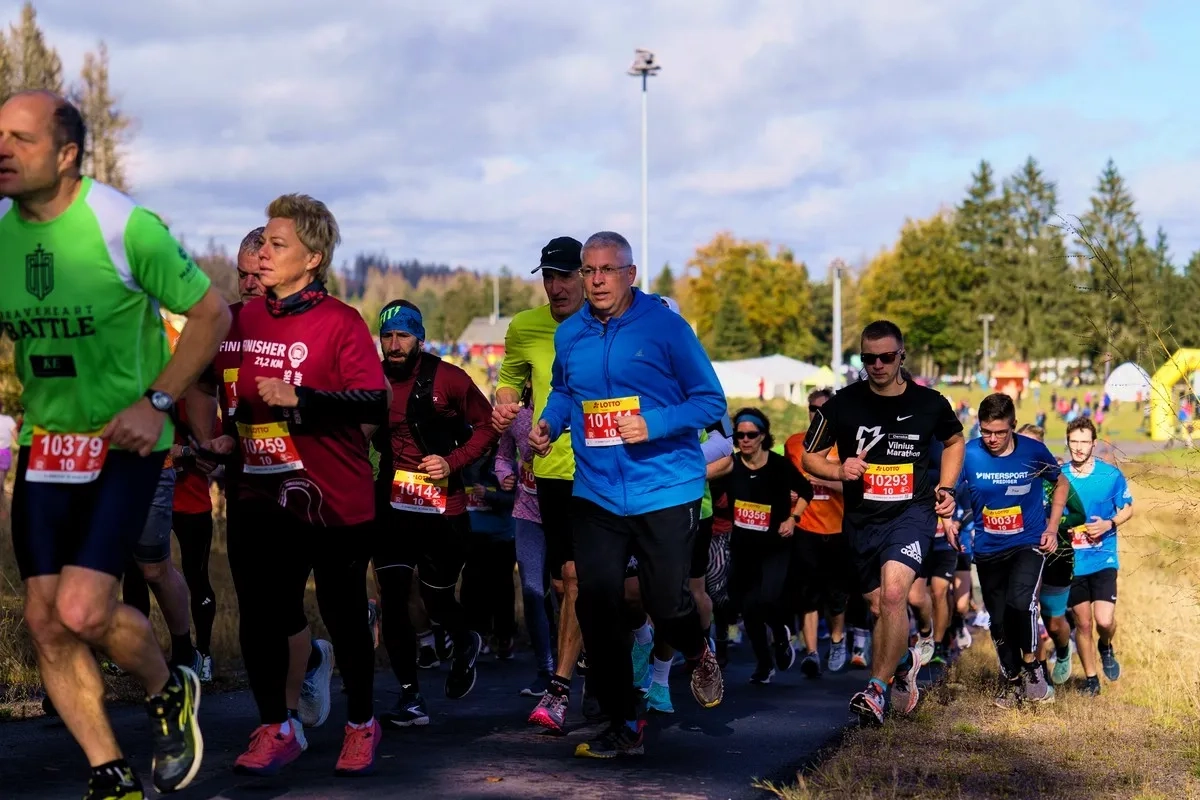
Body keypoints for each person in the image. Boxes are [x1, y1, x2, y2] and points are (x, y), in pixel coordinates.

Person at [0, 90, 231, 799]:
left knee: (81, 610)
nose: (2, 150)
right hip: (46, 448)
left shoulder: (122, 225)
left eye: (20, 138)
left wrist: (156, 399)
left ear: (67, 155)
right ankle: (111, 773)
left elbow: (210, 313)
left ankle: (168, 689)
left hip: (125, 446)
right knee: (45, 621)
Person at [531, 230, 726, 758]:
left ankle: (697, 647)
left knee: (666, 600)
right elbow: (565, 391)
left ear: (630, 274)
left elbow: (710, 400)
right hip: (596, 490)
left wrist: (655, 423)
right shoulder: (570, 334)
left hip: (664, 485)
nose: (596, 280)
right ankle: (623, 720)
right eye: (588, 271)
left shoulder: (666, 327)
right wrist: (549, 424)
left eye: (607, 270)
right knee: (595, 600)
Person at [210, 194, 387, 776]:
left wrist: (301, 398)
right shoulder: (237, 319)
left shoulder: (340, 321)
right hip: (257, 493)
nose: (262, 253)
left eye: (276, 245)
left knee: (340, 613)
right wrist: (214, 435)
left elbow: (374, 400)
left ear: (311, 259)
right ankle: (277, 727)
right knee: (263, 613)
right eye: (261, 243)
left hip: (332, 502)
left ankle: (362, 723)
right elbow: (200, 382)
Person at [802, 320, 963, 725]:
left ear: (901, 356)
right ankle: (905, 660)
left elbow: (955, 441)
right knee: (878, 606)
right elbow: (810, 456)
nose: (877, 365)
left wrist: (947, 487)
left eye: (886, 357)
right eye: (869, 358)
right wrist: (840, 470)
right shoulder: (841, 404)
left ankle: (876, 690)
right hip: (862, 520)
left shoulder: (930, 403)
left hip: (912, 513)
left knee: (894, 596)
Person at [208, 227, 337, 731]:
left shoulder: (313, 324)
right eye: (241, 274)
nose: (247, 283)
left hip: (302, 482)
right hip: (244, 482)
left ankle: (287, 716)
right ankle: (288, 698)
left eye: (256, 274)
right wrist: (210, 437)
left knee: (282, 598)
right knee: (252, 600)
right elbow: (202, 385)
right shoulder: (227, 324)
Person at [371, 299, 496, 727]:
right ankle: (410, 698)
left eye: (402, 335)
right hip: (392, 504)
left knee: (437, 598)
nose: (394, 344)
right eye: (387, 335)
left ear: (419, 338)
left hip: (444, 509)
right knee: (393, 596)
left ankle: (465, 640)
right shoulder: (371, 380)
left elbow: (488, 427)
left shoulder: (449, 378)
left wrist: (453, 461)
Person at [492, 236, 592, 735]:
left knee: (590, 582)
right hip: (549, 471)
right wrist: (506, 401)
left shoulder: (607, 323)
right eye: (548, 277)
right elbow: (509, 378)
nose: (555, 286)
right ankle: (588, 664)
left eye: (565, 276)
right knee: (561, 583)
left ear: (589, 275)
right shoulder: (525, 326)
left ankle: (561, 687)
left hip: (605, 472)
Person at [944, 394, 1067, 707]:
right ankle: (1013, 681)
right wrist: (948, 519)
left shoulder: (1033, 450)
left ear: (1013, 425)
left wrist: (1052, 527)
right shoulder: (969, 454)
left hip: (1028, 542)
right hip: (987, 548)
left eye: (1000, 432)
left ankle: (1032, 665)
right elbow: (947, 491)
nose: (993, 439)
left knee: (1021, 601)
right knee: (997, 621)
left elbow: (1061, 482)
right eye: (986, 431)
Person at [726, 407, 814, 684]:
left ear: (763, 436)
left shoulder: (778, 465)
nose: (745, 440)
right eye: (740, 435)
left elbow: (807, 491)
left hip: (776, 545)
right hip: (743, 547)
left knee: (767, 599)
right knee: (749, 609)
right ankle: (764, 664)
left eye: (751, 435)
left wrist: (793, 518)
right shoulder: (730, 464)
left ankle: (779, 633)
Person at [785, 388, 855, 675]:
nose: (817, 413)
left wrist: (823, 477)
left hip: (838, 528)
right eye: (813, 408)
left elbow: (855, 488)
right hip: (806, 527)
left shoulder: (847, 445)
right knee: (808, 595)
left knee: (836, 595)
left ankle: (838, 641)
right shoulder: (794, 444)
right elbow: (785, 479)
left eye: (823, 409)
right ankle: (812, 652)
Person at [494, 384, 557, 696]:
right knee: (533, 593)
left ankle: (581, 662)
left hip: (565, 513)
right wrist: (503, 473)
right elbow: (503, 455)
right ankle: (545, 670)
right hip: (527, 512)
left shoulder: (567, 407)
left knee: (567, 590)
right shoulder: (517, 416)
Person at [1064, 416, 1134, 696]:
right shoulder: (1059, 477)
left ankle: (1106, 644)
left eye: (1084, 442)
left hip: (1103, 557)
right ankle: (1091, 680)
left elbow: (1128, 508)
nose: (1079, 448)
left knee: (1104, 620)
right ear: (1068, 442)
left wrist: (1109, 524)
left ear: (1093, 443)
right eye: (1074, 442)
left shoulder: (1110, 475)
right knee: (1083, 623)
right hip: (1073, 561)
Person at [1018, 423, 1086, 686]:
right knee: (1028, 616)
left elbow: (1080, 514)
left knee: (1054, 622)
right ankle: (1037, 678)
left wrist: (1052, 523)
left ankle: (1064, 650)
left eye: (1033, 445)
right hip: (1023, 554)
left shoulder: (1055, 479)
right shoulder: (1010, 475)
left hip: (1058, 556)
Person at [0, 400, 16, 507]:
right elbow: (17, 437)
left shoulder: (9, 420)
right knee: (1, 481)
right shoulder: (8, 420)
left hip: (4, 452)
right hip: (4, 452)